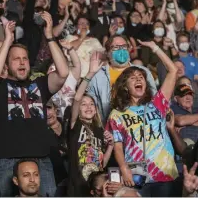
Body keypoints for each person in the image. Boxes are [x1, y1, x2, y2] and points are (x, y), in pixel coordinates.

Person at [0, 12, 69, 196]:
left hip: (40, 159)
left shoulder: (39, 84)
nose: (22, 62)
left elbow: (63, 73)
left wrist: (49, 37)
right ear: (6, 66)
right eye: (16, 59)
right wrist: (7, 41)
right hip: (6, 160)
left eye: (25, 59)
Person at [108, 39, 179, 196]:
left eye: (141, 77)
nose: (139, 79)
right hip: (137, 177)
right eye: (133, 78)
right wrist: (124, 169)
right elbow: (117, 147)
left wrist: (155, 48)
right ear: (125, 87)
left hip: (164, 174)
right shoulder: (117, 114)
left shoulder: (157, 104)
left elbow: (173, 70)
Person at [68, 52, 114, 197]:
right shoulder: (75, 125)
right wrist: (91, 73)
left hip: (96, 190)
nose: (88, 107)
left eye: (91, 104)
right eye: (84, 104)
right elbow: (77, 98)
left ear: (96, 109)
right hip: (77, 188)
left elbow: (102, 164)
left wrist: (111, 145)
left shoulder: (99, 130)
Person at [87, 35, 157, 124]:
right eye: (116, 47)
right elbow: (92, 106)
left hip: (144, 124)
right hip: (113, 128)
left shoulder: (143, 71)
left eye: (124, 46)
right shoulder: (97, 76)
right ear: (108, 53)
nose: (121, 50)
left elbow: (154, 98)